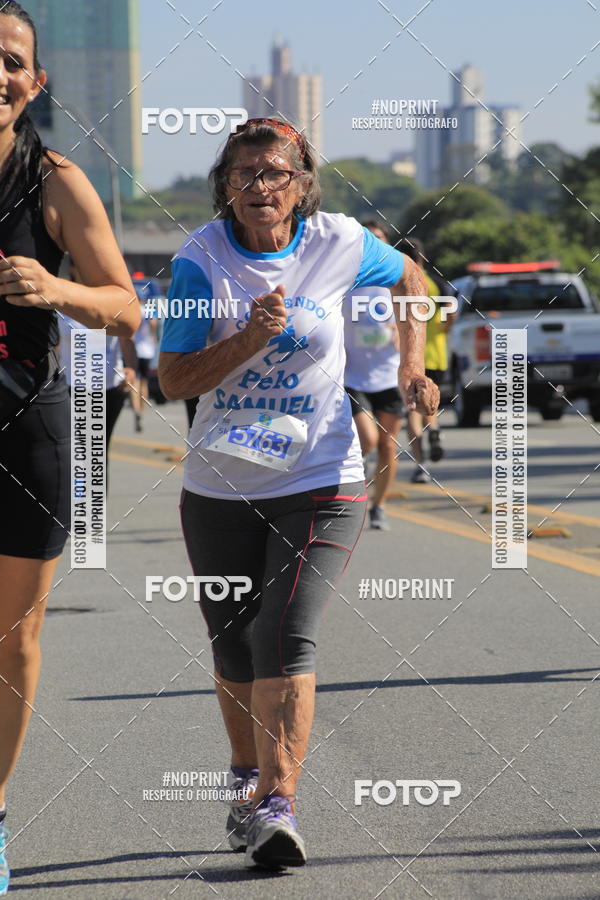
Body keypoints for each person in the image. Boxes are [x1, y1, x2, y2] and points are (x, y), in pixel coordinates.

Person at [158, 117, 439, 871]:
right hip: (220, 483)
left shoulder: (340, 242)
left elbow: (411, 276)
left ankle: (279, 803)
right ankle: (247, 778)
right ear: (225, 184)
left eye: (276, 173)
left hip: (323, 475)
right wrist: (247, 339)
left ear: (302, 185)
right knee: (232, 643)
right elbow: (173, 380)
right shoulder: (200, 263)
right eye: (245, 174)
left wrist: (412, 365)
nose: (260, 186)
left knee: (284, 633)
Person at [0, 4, 139, 893]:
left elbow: (126, 304)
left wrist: (54, 285)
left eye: (10, 60)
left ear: (34, 82)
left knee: (12, 640)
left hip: (26, 432)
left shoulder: (54, 182)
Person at [343, 220, 404, 531]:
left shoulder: (396, 280)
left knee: (388, 446)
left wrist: (401, 329)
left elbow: (417, 319)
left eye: (380, 239)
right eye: (369, 240)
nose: (375, 245)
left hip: (389, 376)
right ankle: (357, 474)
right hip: (352, 375)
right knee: (365, 439)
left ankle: (378, 505)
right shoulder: (345, 279)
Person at [396, 238, 454, 483]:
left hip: (411, 356)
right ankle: (435, 430)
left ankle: (421, 465)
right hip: (436, 353)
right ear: (423, 257)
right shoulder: (437, 284)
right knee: (430, 402)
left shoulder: (400, 283)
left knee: (412, 411)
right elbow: (451, 311)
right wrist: (441, 331)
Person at [131, 284, 158, 432]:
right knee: (145, 381)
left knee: (134, 381)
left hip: (134, 349)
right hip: (147, 349)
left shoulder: (133, 310)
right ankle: (143, 408)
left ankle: (136, 410)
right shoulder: (147, 309)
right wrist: (153, 335)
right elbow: (154, 322)